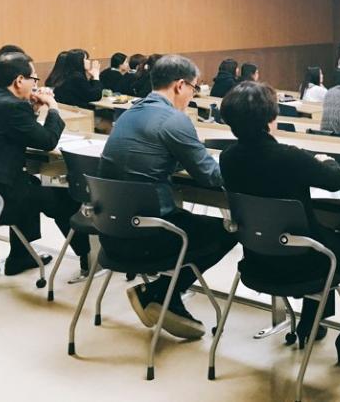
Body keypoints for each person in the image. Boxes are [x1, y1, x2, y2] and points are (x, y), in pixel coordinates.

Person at [219, 81, 340, 362]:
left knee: (314, 234)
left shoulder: (228, 158)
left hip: (258, 260)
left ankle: (311, 324)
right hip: (305, 264)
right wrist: (327, 161)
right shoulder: (289, 157)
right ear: (271, 117)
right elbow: (334, 181)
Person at [97, 54, 236, 339]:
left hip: (111, 233)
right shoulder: (174, 120)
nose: (193, 96)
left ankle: (163, 294)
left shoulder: (128, 114)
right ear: (180, 85)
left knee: (190, 223)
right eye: (194, 88)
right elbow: (211, 176)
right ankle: (162, 292)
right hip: (148, 237)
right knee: (228, 231)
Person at [0, 52, 89, 276]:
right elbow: (47, 141)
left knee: (28, 185)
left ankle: (20, 257)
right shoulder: (12, 107)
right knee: (63, 196)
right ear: (20, 80)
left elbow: (15, 130)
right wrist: (53, 107)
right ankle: (88, 257)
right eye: (34, 79)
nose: (36, 84)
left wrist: (32, 108)